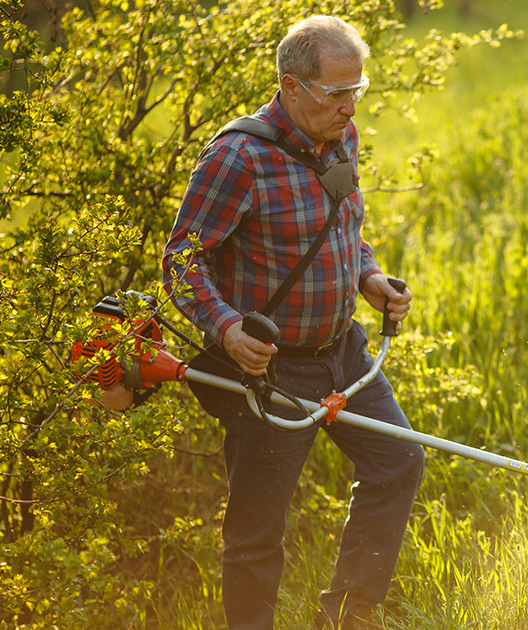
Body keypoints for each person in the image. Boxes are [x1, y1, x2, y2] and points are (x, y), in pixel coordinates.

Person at [162, 16, 424, 630]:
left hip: (346, 352)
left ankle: (350, 615)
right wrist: (227, 328)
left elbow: (345, 230)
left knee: (397, 463)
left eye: (356, 91)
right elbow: (180, 260)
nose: (349, 107)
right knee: (257, 530)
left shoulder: (343, 135)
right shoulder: (238, 157)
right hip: (272, 372)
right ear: (291, 86)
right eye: (336, 94)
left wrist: (369, 277)